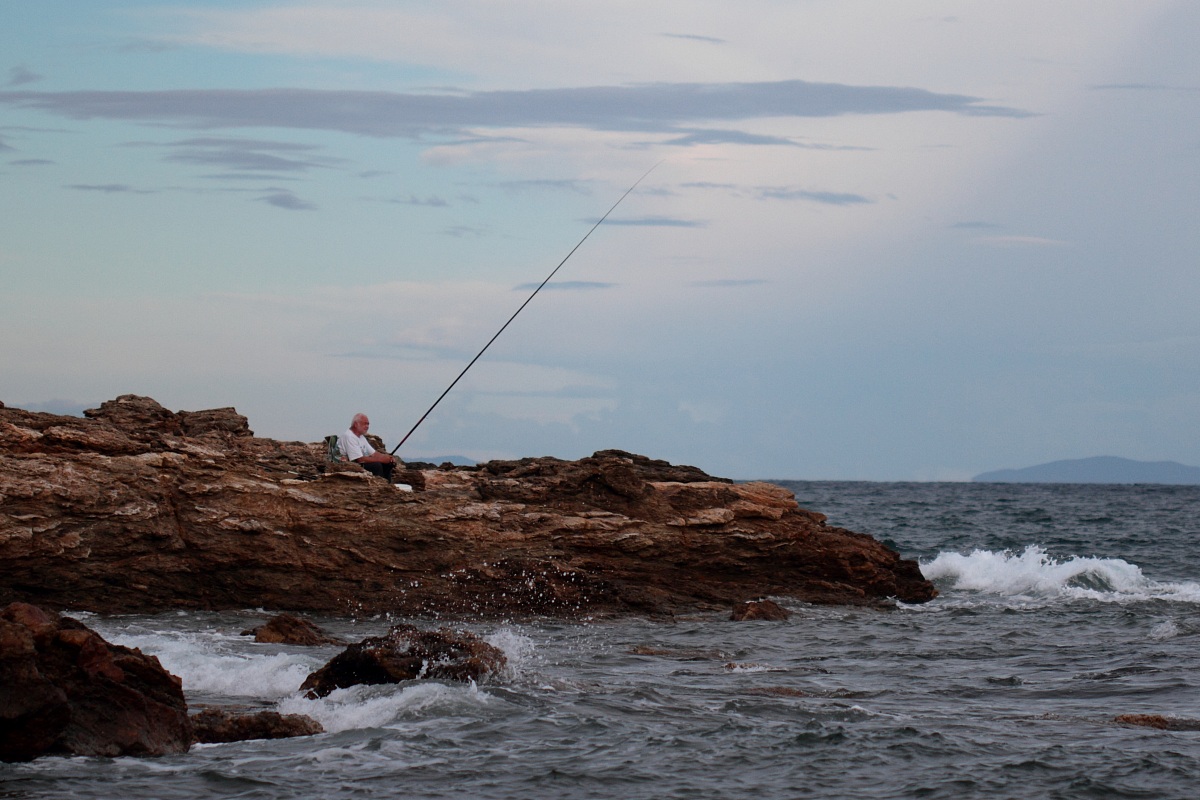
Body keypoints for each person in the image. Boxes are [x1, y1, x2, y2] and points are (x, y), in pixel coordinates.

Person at [338, 413, 398, 481]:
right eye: (365, 424)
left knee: (388, 463)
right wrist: (381, 459)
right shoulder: (349, 436)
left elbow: (374, 453)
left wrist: (387, 457)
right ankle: (379, 485)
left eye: (368, 424)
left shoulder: (361, 437)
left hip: (359, 463)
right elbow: (359, 459)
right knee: (376, 465)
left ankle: (388, 485)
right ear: (355, 424)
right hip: (352, 465)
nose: (367, 426)